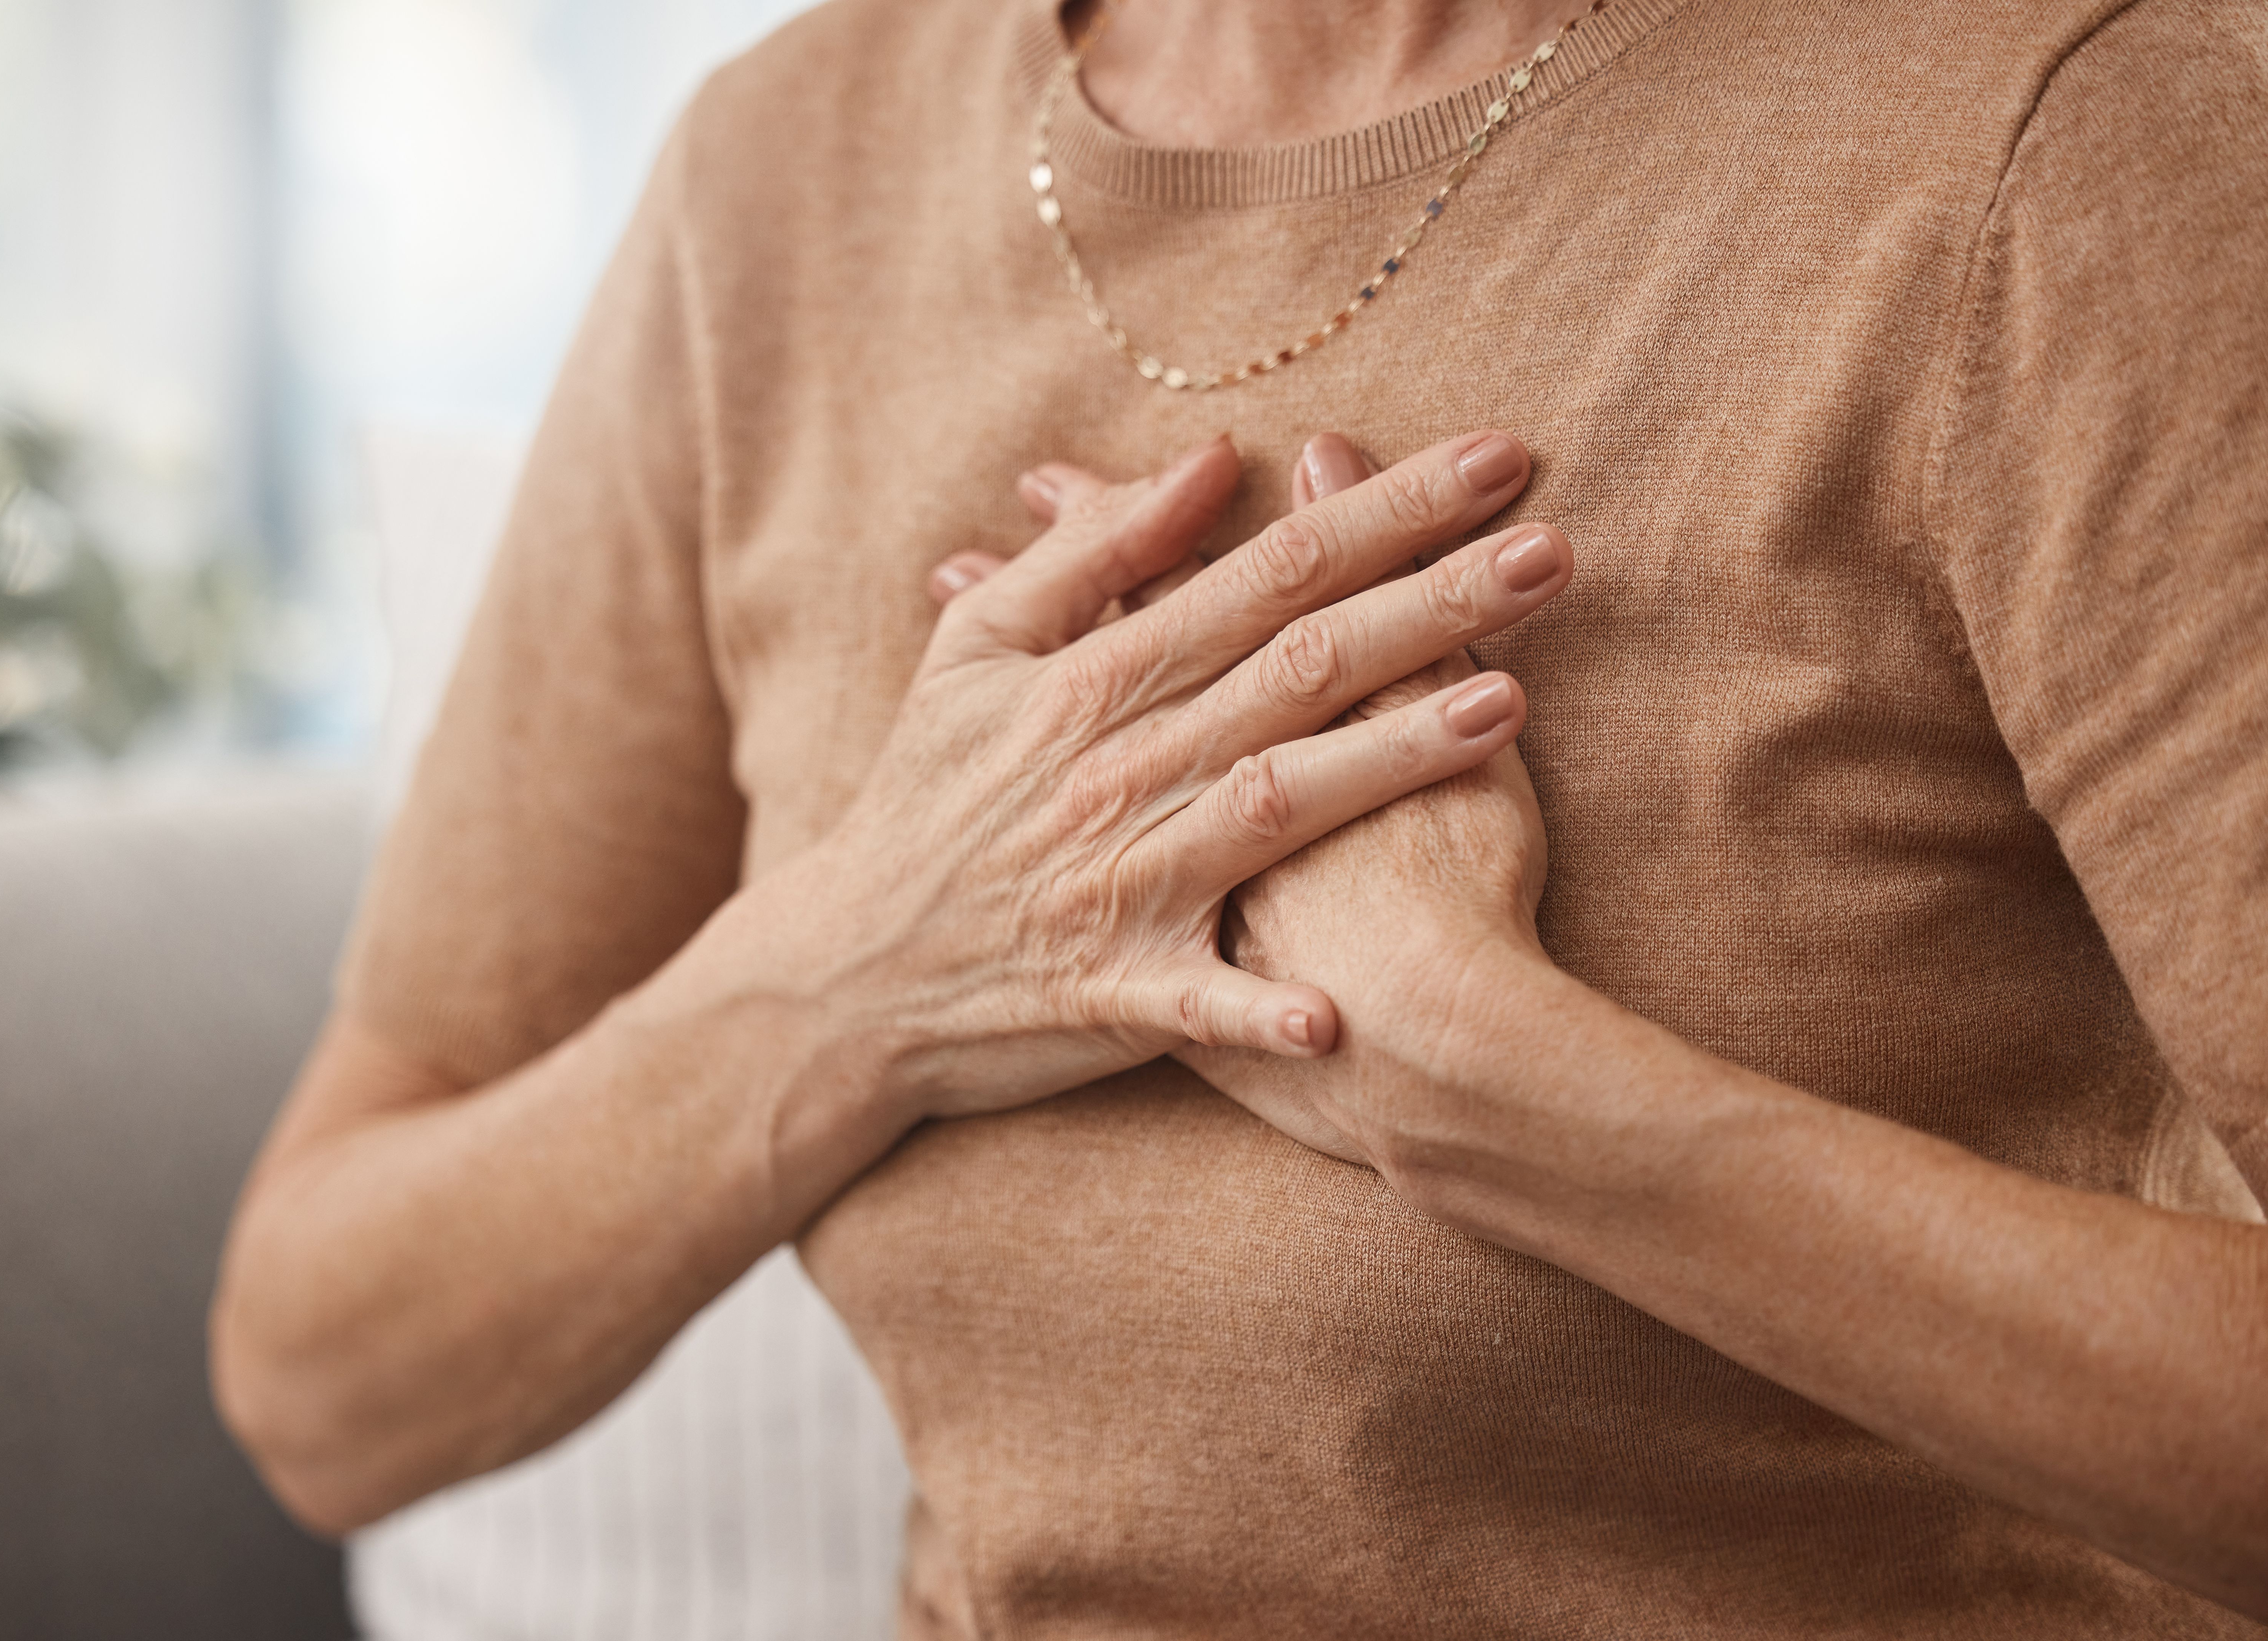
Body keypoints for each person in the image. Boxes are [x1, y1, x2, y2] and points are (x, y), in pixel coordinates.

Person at [211, 0, 2268, 1632]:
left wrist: (1516, 1100)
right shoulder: (782, 174)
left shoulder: (2068, 142)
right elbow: (325, 1378)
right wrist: (871, 974)